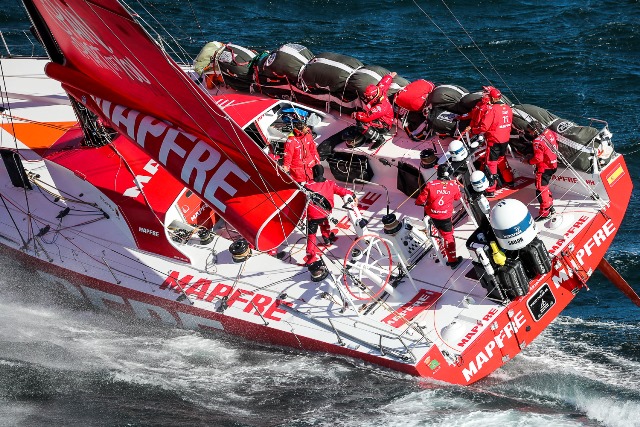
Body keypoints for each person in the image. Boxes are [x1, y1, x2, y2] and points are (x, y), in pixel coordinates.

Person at [465, 86, 514, 195]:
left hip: (494, 141)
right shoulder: (508, 108)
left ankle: (491, 189)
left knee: (491, 164)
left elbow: (484, 127)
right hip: (505, 140)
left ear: (492, 98)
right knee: (502, 160)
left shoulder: (492, 109)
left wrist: (473, 129)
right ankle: (510, 181)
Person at [303, 164, 355, 265]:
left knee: (311, 236)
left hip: (312, 216)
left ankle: (310, 255)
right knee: (325, 223)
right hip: (325, 213)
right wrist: (352, 194)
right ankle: (326, 238)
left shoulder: (307, 186)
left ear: (314, 173)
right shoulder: (330, 183)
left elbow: (302, 202)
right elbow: (342, 191)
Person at [415, 163, 463, 269]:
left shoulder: (430, 184)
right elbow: (457, 197)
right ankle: (452, 261)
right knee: (448, 237)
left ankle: (438, 245)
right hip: (445, 217)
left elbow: (420, 201)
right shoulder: (453, 186)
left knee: (436, 234)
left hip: (431, 216)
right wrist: (453, 186)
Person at [350, 72, 397, 150]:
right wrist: (389, 76)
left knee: (362, 124)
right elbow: (384, 83)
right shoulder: (379, 91)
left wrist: (356, 114)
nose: (367, 98)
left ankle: (380, 139)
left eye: (368, 96)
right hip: (379, 119)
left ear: (373, 95)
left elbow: (366, 117)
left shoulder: (381, 106)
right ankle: (370, 135)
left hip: (384, 125)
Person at [527, 120, 558, 221]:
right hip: (553, 164)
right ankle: (551, 207)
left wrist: (528, 161)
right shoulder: (549, 132)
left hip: (544, 168)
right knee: (545, 187)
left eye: (531, 132)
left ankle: (545, 213)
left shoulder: (537, 142)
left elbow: (538, 159)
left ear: (535, 130)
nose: (530, 134)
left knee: (541, 191)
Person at [282, 118, 320, 183]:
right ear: (300, 130)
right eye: (305, 128)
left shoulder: (308, 136)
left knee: (311, 182)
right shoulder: (291, 140)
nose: (307, 129)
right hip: (298, 169)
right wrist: (286, 166)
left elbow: (313, 150)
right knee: (300, 182)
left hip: (309, 165)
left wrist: (317, 161)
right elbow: (288, 154)